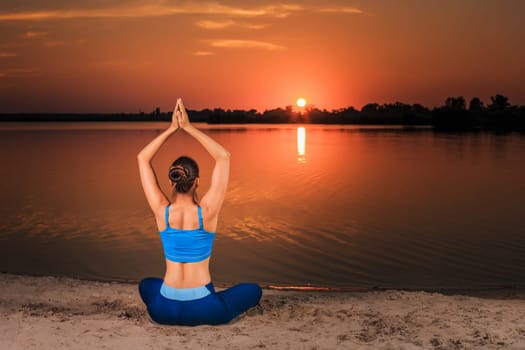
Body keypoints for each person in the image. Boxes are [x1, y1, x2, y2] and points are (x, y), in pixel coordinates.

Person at [137, 98, 262, 326]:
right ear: (197, 182)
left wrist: (171, 129)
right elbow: (223, 156)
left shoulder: (161, 210)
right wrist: (189, 127)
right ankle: (205, 299)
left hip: (163, 309)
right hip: (205, 309)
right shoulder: (207, 212)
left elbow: (142, 158)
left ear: (171, 181)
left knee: (146, 285)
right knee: (253, 290)